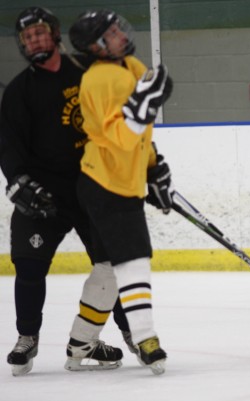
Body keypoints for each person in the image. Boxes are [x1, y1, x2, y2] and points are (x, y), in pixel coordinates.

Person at [0, 6, 134, 376]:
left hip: (92, 189)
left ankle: (131, 333)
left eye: (40, 32)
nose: (34, 41)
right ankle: (27, 337)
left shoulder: (89, 70)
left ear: (55, 33)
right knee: (28, 265)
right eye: (28, 37)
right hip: (43, 194)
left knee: (115, 267)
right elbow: (8, 146)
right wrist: (18, 181)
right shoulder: (18, 92)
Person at [68, 9, 173, 375]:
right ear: (96, 46)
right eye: (111, 33)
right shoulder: (97, 80)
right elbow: (118, 137)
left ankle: (80, 343)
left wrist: (153, 168)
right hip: (105, 185)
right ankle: (146, 338)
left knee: (107, 269)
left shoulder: (130, 64)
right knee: (133, 259)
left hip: (119, 181)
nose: (121, 35)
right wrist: (140, 112)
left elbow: (141, 134)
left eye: (117, 28)